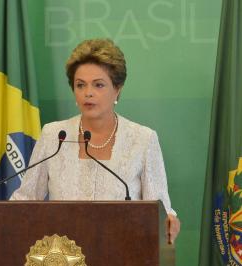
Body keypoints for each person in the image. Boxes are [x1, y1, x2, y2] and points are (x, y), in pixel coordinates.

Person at [10, 38, 180, 244]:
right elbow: (25, 201)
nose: (88, 93)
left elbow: (159, 210)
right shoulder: (54, 135)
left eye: (98, 85)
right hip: (63, 259)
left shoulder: (143, 139)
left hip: (123, 256)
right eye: (80, 85)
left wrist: (170, 221)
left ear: (117, 89)